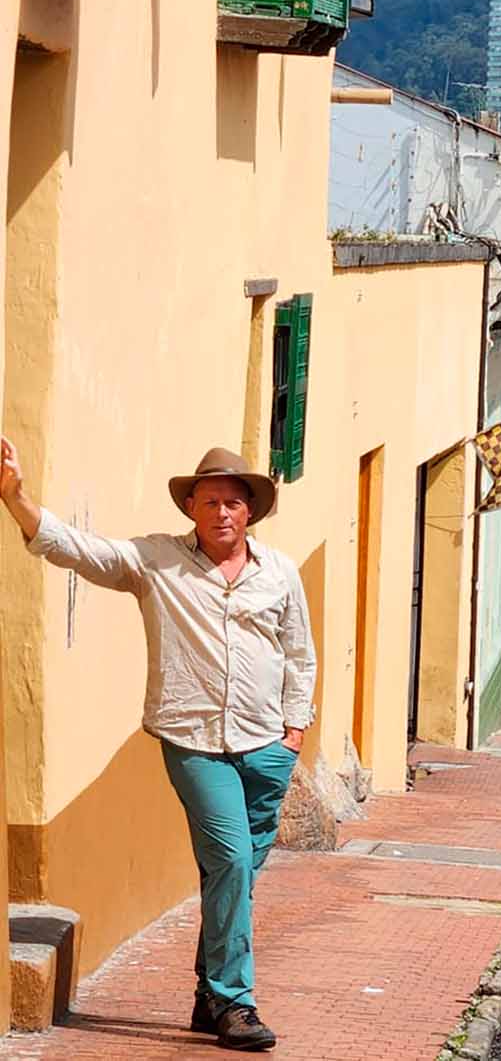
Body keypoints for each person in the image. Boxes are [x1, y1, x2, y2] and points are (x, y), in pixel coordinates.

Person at [1, 439, 313, 1053]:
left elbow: (299, 652)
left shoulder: (279, 572)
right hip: (194, 740)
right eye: (209, 501)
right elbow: (82, 550)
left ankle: (207, 994)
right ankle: (235, 1002)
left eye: (232, 502)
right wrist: (17, 500)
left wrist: (294, 732)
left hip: (267, 746)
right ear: (191, 508)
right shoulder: (157, 561)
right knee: (229, 862)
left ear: (250, 511)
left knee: (237, 876)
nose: (221, 513)